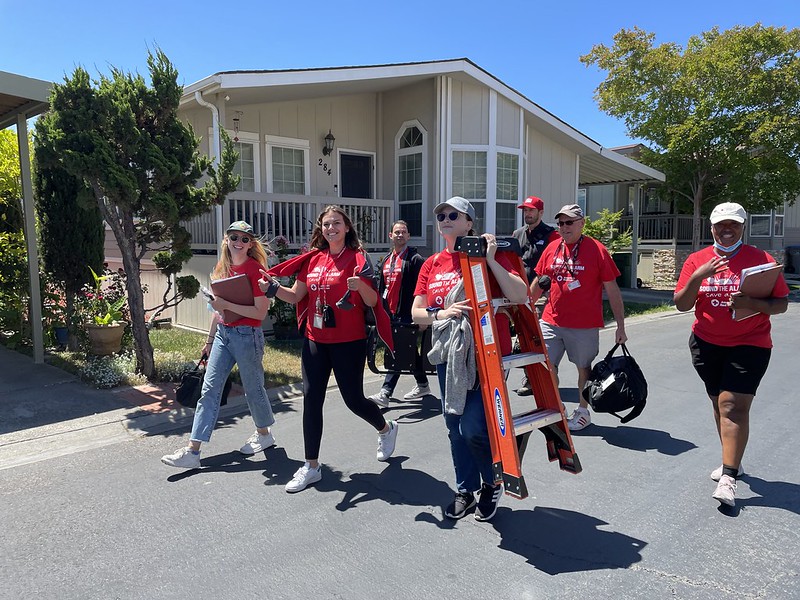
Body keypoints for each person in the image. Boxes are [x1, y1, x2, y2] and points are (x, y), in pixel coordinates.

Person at [258, 205, 399, 493]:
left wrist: (360, 286)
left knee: (354, 400)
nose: (331, 228)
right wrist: (272, 290)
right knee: (311, 400)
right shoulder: (313, 259)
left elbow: (373, 302)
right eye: (326, 224)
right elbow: (297, 295)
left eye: (336, 223)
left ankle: (386, 429)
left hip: (349, 342)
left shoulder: (358, 259)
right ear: (321, 229)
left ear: (346, 227)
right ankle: (311, 466)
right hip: (315, 340)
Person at [411, 196, 528, 521]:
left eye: (453, 214)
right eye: (441, 215)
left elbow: (520, 295)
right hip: (449, 356)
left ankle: (491, 483)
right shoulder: (431, 263)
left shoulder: (485, 252)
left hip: (486, 357)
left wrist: (490, 260)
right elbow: (416, 313)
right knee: (453, 426)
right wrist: (442, 312)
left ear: (469, 223)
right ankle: (466, 489)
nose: (445, 219)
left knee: (473, 428)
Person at [674, 202, 788, 507]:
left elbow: (781, 304)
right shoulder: (697, 260)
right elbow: (682, 304)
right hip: (706, 342)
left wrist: (751, 303)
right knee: (718, 403)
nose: (727, 230)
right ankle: (732, 458)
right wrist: (698, 276)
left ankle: (728, 477)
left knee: (732, 405)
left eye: (734, 225)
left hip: (750, 342)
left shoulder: (760, 260)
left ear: (743, 227)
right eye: (721, 225)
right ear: (711, 227)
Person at [161, 221, 276, 469]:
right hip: (224, 334)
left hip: (248, 336)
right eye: (234, 237)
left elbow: (259, 313)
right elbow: (216, 309)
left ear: (251, 244)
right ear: (226, 239)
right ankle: (193, 451)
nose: (239, 242)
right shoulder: (221, 268)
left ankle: (264, 435)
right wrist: (210, 340)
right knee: (209, 390)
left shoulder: (256, 271)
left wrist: (227, 306)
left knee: (253, 389)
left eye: (245, 239)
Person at [529, 204, 627, 432]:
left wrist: (620, 326)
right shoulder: (553, 248)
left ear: (582, 223)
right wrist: (526, 307)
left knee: (584, 368)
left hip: (583, 325)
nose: (564, 227)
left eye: (569, 222)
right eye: (561, 223)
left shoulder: (597, 250)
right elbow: (540, 281)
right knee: (545, 366)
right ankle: (557, 408)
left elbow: (612, 290)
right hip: (551, 320)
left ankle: (583, 411)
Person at [368, 220, 430, 407]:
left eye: (404, 232)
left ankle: (385, 393)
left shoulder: (415, 259)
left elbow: (424, 287)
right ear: (391, 236)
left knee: (398, 350)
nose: (400, 235)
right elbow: (382, 288)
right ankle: (423, 385)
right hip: (391, 314)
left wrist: (422, 314)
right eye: (397, 232)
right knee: (407, 351)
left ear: (409, 236)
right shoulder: (387, 260)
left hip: (407, 314)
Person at [512, 195, 560, 396]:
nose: (527, 214)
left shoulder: (552, 236)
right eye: (525, 210)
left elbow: (554, 266)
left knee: (537, 337)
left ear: (541, 213)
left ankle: (540, 379)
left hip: (541, 295)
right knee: (522, 336)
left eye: (531, 210)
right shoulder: (518, 234)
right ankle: (531, 375)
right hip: (518, 293)